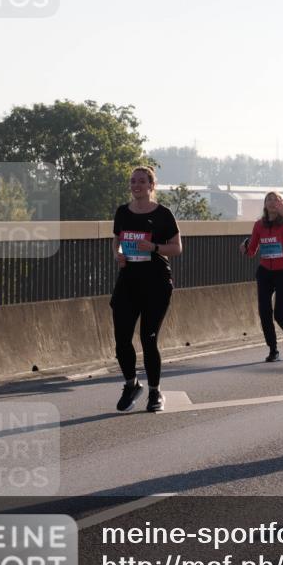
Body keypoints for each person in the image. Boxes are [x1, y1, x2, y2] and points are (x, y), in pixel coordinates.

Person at [111, 166, 183, 412]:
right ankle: (131, 384)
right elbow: (118, 242)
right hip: (128, 281)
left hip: (156, 283)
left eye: (142, 181)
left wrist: (152, 247)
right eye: (133, 181)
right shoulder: (122, 212)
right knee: (121, 339)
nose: (136, 185)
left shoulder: (163, 214)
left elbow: (176, 248)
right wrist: (118, 255)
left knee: (148, 338)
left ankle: (155, 392)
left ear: (151, 186)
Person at [241, 192, 283, 362]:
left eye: (276, 199)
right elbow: (252, 251)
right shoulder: (259, 225)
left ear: (282, 204)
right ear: (264, 204)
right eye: (269, 199)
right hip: (265, 272)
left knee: (280, 314)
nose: (272, 202)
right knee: (264, 312)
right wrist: (245, 248)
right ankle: (273, 349)